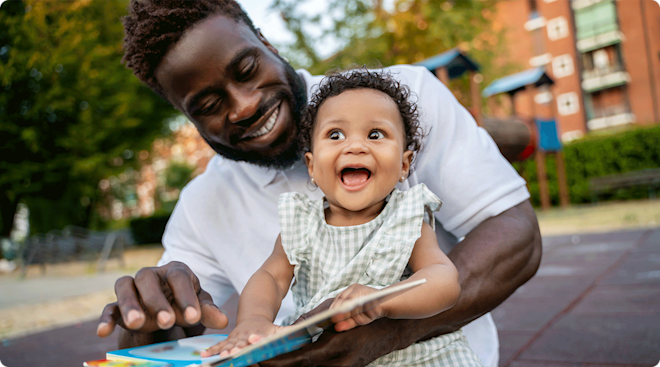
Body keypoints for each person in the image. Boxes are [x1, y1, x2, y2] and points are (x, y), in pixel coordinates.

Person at [97, 1, 542, 366]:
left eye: (248, 69)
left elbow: (515, 234)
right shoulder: (205, 205)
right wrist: (151, 319)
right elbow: (202, 312)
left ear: (268, 44)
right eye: (208, 105)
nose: (245, 106)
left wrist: (381, 332)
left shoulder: (400, 106)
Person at [202, 69, 482, 366]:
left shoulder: (406, 217)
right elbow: (270, 276)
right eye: (335, 135)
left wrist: (384, 299)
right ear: (311, 165)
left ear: (404, 164)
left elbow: (443, 281)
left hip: (418, 356)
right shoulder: (302, 224)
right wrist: (254, 320)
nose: (355, 146)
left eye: (376, 134)